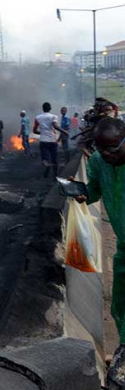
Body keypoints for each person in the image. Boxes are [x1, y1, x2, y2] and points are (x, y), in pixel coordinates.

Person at [74, 117, 125, 347]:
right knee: (120, 306)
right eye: (101, 149)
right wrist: (83, 194)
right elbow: (93, 190)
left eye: (112, 148)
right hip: (123, 246)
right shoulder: (98, 161)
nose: (107, 154)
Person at [34, 102, 67, 178]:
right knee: (54, 158)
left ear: (43, 109)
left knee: (46, 158)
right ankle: (55, 175)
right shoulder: (54, 117)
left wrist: (42, 133)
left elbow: (34, 131)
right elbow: (55, 126)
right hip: (52, 140)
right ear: (50, 108)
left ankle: (46, 165)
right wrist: (64, 131)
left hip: (43, 141)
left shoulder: (37, 118)